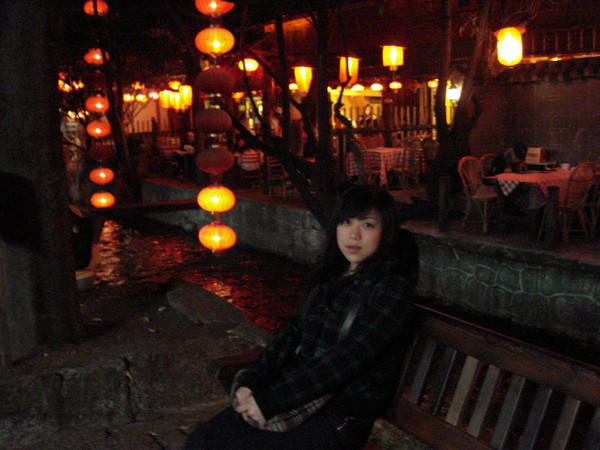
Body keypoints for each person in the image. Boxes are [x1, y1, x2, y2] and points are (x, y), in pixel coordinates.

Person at [183, 185, 419, 450]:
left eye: (367, 225)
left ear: (386, 232)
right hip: (298, 397)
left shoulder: (391, 289)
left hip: (340, 414)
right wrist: (254, 380)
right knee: (202, 441)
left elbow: (348, 358)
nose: (354, 235)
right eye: (346, 222)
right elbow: (290, 333)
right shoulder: (332, 275)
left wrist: (273, 400)